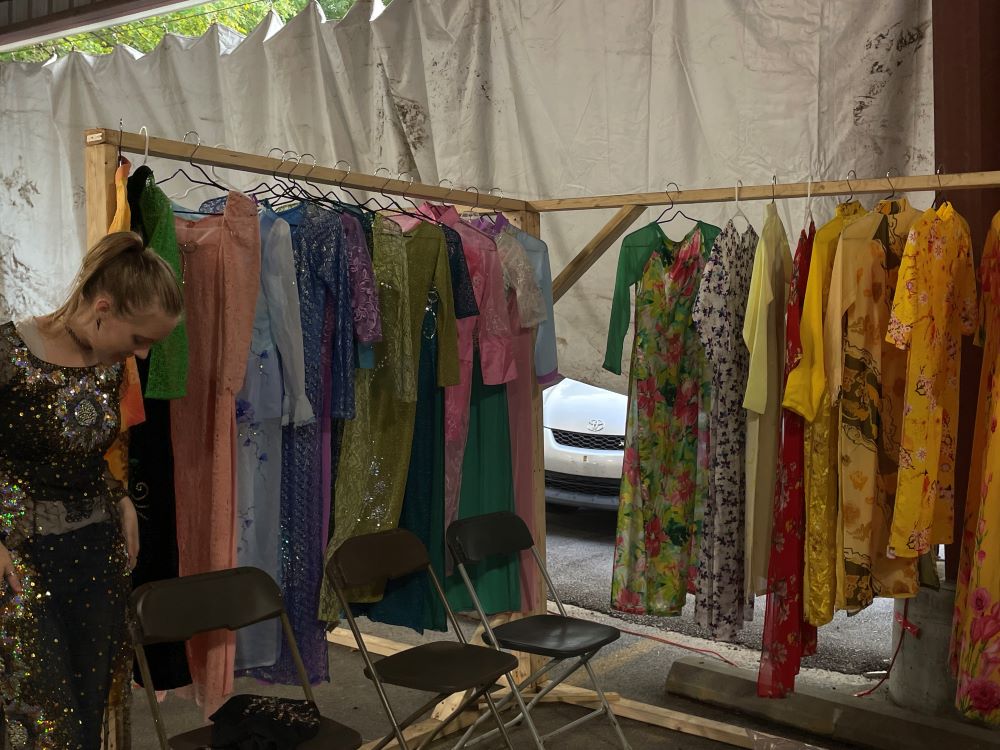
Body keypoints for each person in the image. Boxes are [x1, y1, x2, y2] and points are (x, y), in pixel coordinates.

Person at [0, 231, 183, 749]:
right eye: (139, 340)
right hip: (21, 561)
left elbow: (82, 451)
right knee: (40, 723)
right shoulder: (9, 354)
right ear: (103, 308)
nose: (142, 356)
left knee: (85, 714)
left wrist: (118, 494)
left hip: (97, 561)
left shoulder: (107, 369)